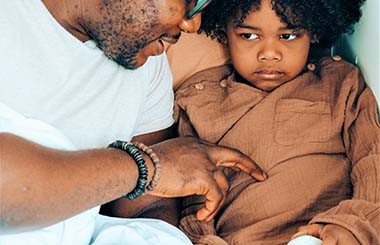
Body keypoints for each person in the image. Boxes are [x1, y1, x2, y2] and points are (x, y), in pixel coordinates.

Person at [0, 0, 267, 242]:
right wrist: (145, 167)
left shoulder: (146, 64)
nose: (192, 24)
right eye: (189, 2)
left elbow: (148, 206)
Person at [175, 0, 380, 244]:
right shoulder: (198, 100)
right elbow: (194, 204)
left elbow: (373, 161)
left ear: (314, 31)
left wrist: (353, 225)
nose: (269, 54)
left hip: (329, 233)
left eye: (289, 35)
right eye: (249, 35)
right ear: (223, 31)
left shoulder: (341, 84)